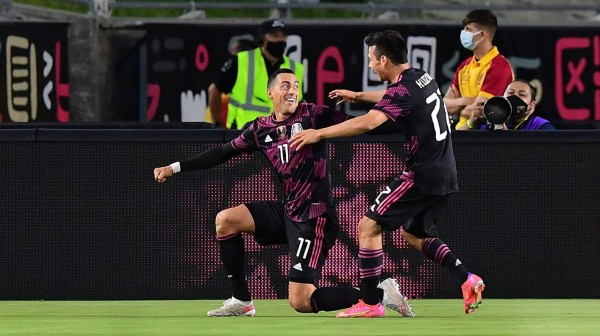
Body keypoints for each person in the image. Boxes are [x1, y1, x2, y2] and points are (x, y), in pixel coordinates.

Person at [154, 69, 414, 317]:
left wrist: (411, 122)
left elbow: (366, 125)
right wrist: (174, 168)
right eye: (286, 85)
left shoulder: (313, 115)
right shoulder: (260, 129)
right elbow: (222, 153)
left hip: (315, 217)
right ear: (270, 92)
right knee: (226, 220)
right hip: (289, 210)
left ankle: (379, 293)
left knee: (300, 301)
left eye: (297, 86)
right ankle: (242, 301)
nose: (293, 91)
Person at [290, 30, 485, 317]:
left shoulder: (402, 90)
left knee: (367, 227)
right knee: (413, 233)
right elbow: (394, 96)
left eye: (371, 59)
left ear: (384, 59)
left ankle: (370, 303)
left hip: (421, 173)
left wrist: (318, 133)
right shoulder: (422, 77)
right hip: (446, 173)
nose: (369, 65)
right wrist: (358, 95)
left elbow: (370, 123)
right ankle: (467, 279)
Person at [208, 19, 304, 129]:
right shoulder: (242, 61)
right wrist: (217, 124)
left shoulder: (295, 68)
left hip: (280, 137)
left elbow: (298, 106)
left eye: (283, 36)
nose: (280, 40)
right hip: (243, 135)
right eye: (274, 35)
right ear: (263, 38)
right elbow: (214, 90)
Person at [444, 9, 514, 130]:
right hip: (460, 133)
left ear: (482, 35)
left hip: (486, 138)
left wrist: (458, 108)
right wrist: (465, 101)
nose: (463, 33)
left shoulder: (499, 66)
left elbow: (480, 112)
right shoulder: (464, 66)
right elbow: (444, 106)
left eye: (468, 30)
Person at [459, 79, 555, 130]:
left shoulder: (540, 126)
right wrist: (471, 122)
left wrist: (506, 138)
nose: (514, 98)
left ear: (532, 105)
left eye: (521, 94)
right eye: (510, 93)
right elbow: (455, 147)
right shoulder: (489, 117)